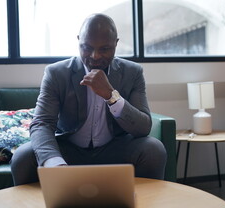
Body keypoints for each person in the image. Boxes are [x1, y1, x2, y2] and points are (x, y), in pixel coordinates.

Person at [11, 13, 167, 185]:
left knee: (154, 150)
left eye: (104, 49)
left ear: (116, 43)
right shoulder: (56, 73)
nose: (95, 56)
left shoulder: (132, 72)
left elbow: (143, 127)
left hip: (114, 149)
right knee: (23, 156)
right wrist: (55, 163)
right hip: (69, 150)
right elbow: (42, 123)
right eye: (87, 47)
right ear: (78, 40)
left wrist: (111, 95)